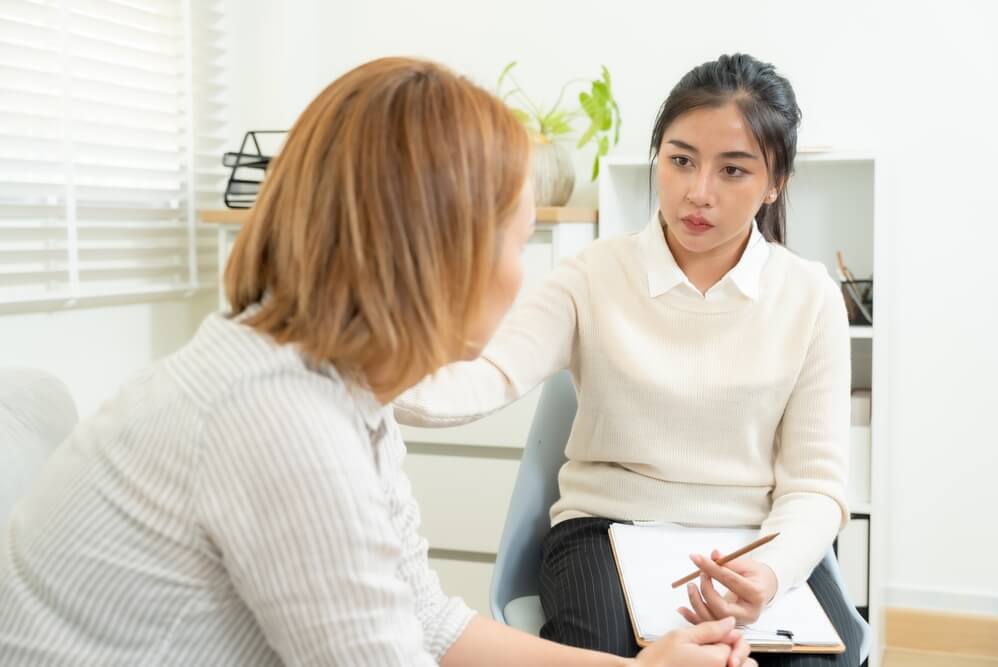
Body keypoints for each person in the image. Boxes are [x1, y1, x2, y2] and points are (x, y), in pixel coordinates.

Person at [0, 57, 755, 667]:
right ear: (440, 252)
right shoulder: (277, 418)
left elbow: (423, 619)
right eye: (517, 240)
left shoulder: (339, 384)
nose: (522, 273)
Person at [395, 53, 866, 666]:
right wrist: (349, 377)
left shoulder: (809, 296)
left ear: (775, 182)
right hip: (606, 529)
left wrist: (768, 574)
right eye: (680, 160)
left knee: (820, 658)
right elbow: (486, 377)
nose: (699, 192)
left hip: (753, 539)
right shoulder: (593, 274)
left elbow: (816, 486)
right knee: (602, 654)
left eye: (733, 170)